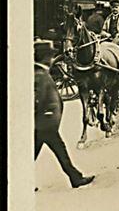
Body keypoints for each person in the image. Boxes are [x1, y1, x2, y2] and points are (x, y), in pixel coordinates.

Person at [35, 41, 94, 189]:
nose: (51, 59)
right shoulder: (40, 75)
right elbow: (36, 99)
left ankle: (19, 180)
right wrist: (43, 115)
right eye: (49, 56)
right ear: (44, 58)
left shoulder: (42, 73)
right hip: (45, 123)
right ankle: (76, 178)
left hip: (43, 123)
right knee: (61, 152)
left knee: (32, 154)